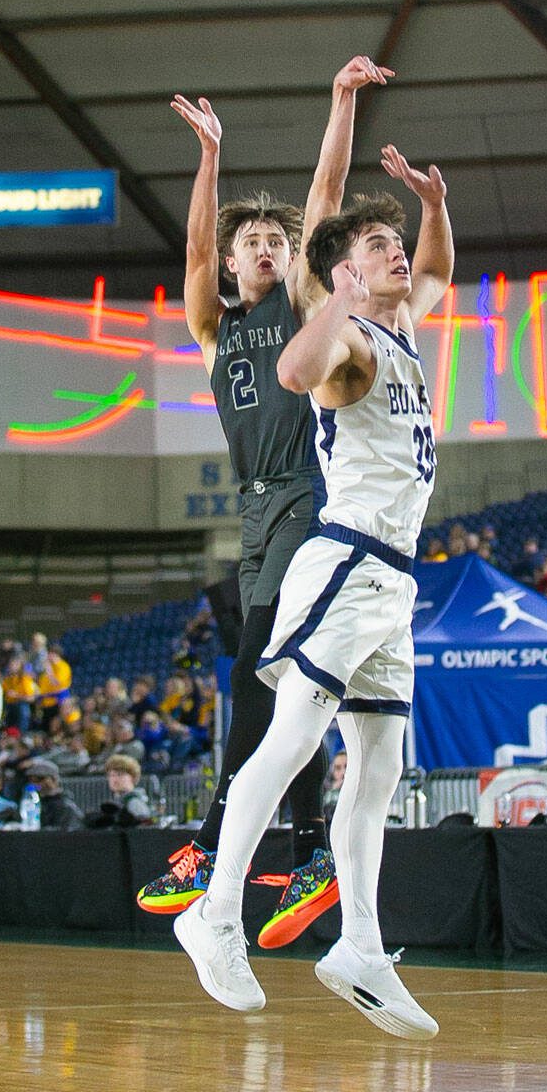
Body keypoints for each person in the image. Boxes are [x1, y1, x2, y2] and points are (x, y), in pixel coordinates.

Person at [174, 149, 452, 1039]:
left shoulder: (402, 321)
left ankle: (360, 949)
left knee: (380, 771)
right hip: (344, 562)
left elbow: (440, 267)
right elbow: (297, 373)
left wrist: (433, 203)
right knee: (293, 739)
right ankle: (214, 916)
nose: (397, 252)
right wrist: (334, 294)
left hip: (393, 581)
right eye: (378, 244)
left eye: (394, 240)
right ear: (345, 272)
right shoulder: (353, 344)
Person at [138, 55, 391, 947]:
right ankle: (310, 851)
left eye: (275, 243)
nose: (265, 248)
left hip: (310, 500)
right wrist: (209, 158)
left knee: (255, 671)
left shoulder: (295, 304)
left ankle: (214, 844)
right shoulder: (217, 326)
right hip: (255, 512)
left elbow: (324, 194)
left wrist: (339, 99)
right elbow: (198, 251)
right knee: (284, 690)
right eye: (253, 242)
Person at [86, 755, 154, 829]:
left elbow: (144, 828)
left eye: (120, 775)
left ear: (133, 777)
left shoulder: (134, 802)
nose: (114, 779)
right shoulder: (117, 802)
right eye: (111, 775)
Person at [22, 758, 82, 829]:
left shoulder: (64, 805)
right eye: (32, 780)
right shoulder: (32, 803)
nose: (36, 784)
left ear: (54, 780)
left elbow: (64, 831)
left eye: (40, 778)